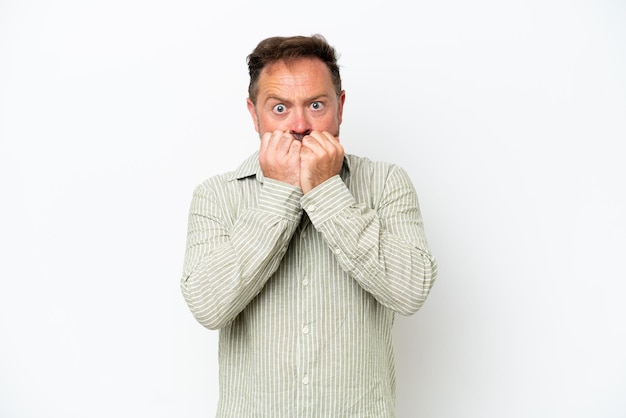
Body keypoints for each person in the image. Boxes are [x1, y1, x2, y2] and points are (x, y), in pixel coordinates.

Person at [180, 34, 437, 417]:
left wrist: (327, 191)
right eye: (279, 108)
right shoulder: (216, 196)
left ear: (340, 107)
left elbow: (411, 292)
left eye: (316, 105)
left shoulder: (386, 183)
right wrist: (280, 194)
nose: (299, 125)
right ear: (254, 115)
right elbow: (208, 306)